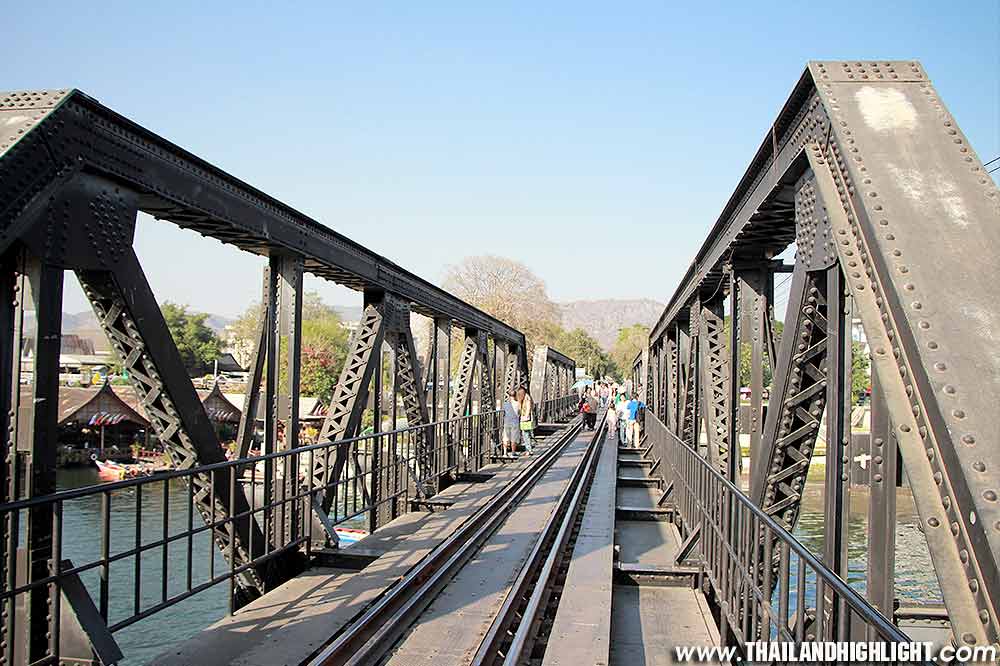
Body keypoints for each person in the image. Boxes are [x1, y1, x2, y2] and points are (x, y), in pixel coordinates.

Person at [516, 386, 536, 455]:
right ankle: (528, 449)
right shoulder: (526, 398)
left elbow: (528, 409)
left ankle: (529, 450)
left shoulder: (527, 399)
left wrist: (525, 417)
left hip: (525, 420)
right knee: (526, 435)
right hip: (525, 419)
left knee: (526, 435)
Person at [502, 388, 521, 456]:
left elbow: (503, 412)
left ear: (509, 395)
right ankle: (513, 453)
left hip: (507, 422)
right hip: (515, 422)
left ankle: (505, 453)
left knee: (505, 437)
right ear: (515, 395)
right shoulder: (518, 404)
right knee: (514, 438)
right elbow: (519, 412)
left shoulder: (505, 404)